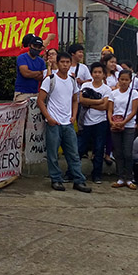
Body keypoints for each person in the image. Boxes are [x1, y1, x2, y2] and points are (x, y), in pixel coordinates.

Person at [37, 52, 90, 193]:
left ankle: (78, 180)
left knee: (73, 153)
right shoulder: (50, 79)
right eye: (62, 62)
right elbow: (40, 100)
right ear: (57, 63)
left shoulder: (72, 81)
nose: (65, 65)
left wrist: (73, 116)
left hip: (68, 123)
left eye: (67, 62)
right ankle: (56, 179)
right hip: (54, 123)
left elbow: (75, 99)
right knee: (53, 153)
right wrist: (49, 117)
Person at [78, 62, 112, 184]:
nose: (97, 75)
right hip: (86, 122)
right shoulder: (86, 85)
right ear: (91, 73)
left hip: (101, 122)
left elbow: (105, 106)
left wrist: (90, 104)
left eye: (99, 72)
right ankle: (72, 172)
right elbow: (81, 100)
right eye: (95, 72)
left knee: (99, 149)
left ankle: (97, 175)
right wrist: (98, 101)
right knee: (80, 148)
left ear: (104, 74)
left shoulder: (106, 89)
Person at [109, 70, 138, 189]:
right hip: (115, 125)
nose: (123, 82)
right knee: (118, 152)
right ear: (118, 80)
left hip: (128, 125)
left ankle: (129, 177)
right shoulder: (114, 93)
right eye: (121, 79)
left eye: (126, 80)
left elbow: (133, 111)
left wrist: (124, 122)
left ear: (130, 81)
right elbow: (110, 109)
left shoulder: (134, 94)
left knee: (128, 152)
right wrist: (112, 121)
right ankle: (120, 177)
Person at [14, 37, 45, 101]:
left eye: (39, 47)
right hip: (22, 93)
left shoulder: (41, 61)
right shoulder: (22, 58)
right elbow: (25, 73)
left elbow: (42, 77)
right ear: (30, 45)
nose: (36, 48)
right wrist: (39, 72)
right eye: (35, 46)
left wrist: (31, 73)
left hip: (36, 93)